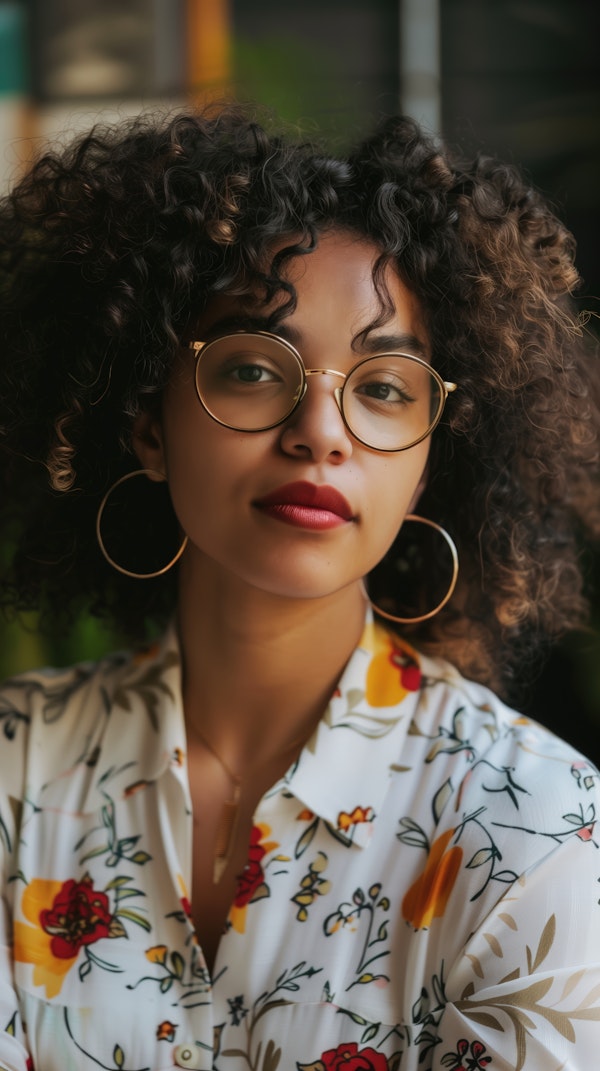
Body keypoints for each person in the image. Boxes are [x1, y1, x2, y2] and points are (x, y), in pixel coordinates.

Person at [0, 105, 598, 1071]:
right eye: (250, 367)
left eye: (385, 386)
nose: (321, 428)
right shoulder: (12, 780)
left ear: (429, 461)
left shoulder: (534, 826)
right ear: (148, 423)